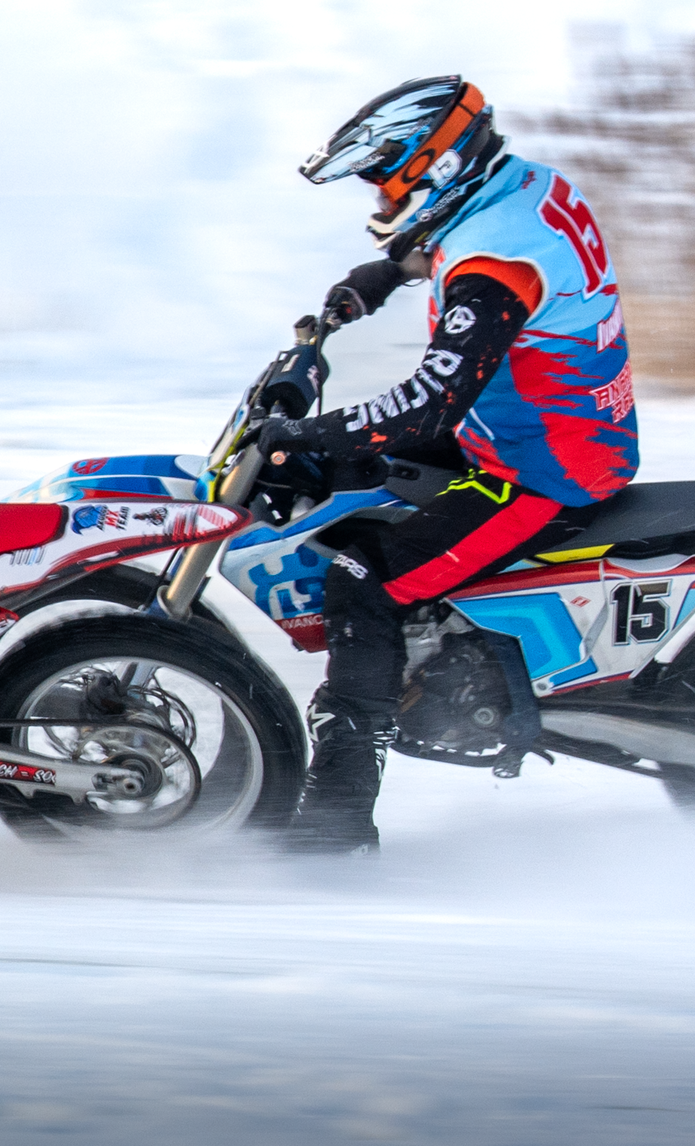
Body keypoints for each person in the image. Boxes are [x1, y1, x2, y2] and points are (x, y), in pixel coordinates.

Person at [258, 75, 638, 855]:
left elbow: (428, 403)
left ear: (434, 167)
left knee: (362, 579)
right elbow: (470, 243)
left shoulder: (491, 269)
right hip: (528, 428)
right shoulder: (526, 187)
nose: (378, 198)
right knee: (352, 484)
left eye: (386, 183)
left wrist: (309, 434)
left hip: (540, 468)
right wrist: (384, 278)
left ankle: (339, 817)